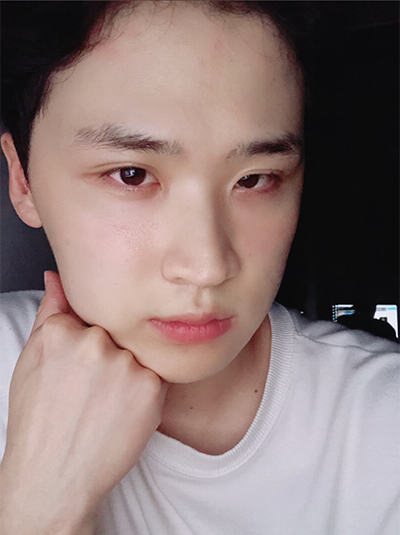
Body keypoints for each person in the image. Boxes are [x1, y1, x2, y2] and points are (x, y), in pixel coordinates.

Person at [0, 2, 399, 534]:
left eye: (255, 179)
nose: (207, 267)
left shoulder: (382, 427)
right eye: (132, 174)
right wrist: (38, 504)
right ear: (23, 180)